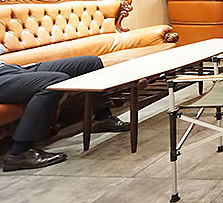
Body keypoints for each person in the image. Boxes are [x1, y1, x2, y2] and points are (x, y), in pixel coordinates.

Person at [0, 55, 129, 171]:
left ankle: (103, 119)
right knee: (56, 81)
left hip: (10, 68)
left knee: (91, 63)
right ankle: (20, 152)